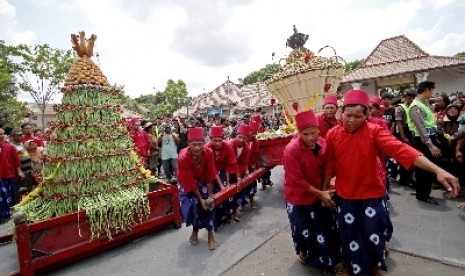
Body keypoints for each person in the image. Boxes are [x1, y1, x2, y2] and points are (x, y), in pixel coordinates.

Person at [323, 89, 460, 276]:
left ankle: (373, 265)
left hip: (372, 194)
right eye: (348, 115)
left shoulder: (374, 131)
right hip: (346, 195)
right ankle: (350, 265)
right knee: (349, 236)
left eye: (358, 116)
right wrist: (324, 190)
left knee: (373, 235)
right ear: (342, 113)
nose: (352, 120)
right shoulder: (332, 135)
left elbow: (401, 150)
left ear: (367, 115)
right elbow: (330, 165)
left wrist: (437, 170)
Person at [283, 110, 341, 272]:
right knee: (303, 230)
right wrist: (320, 193)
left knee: (324, 227)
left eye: (313, 132)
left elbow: (328, 168)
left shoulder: (323, 143)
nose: (310, 137)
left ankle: (327, 260)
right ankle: (306, 255)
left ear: (318, 129)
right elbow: (296, 180)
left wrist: (325, 189)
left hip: (318, 193)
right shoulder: (291, 150)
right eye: (305, 134)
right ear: (299, 132)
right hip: (298, 197)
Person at [177, 127, 218, 250]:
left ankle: (211, 235)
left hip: (203, 181)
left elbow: (210, 173)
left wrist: (209, 193)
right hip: (188, 182)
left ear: (204, 143)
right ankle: (195, 231)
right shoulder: (183, 157)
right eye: (194, 145)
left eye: (200, 144)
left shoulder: (208, 152)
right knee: (193, 206)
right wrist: (200, 199)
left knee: (209, 205)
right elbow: (189, 181)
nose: (197, 148)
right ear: (188, 144)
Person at [407, 81, 444, 204]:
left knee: (427, 168)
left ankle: (424, 192)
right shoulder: (416, 106)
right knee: (424, 169)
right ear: (427, 90)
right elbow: (421, 128)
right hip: (422, 141)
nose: (432, 93)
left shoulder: (424, 104)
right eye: (431, 90)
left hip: (427, 138)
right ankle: (422, 195)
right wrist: (430, 145)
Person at [206, 126, 239, 225]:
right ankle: (216, 220)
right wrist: (220, 185)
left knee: (227, 193)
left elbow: (229, 164)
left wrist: (227, 182)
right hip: (209, 172)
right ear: (211, 139)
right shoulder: (207, 148)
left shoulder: (227, 146)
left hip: (223, 170)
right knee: (213, 194)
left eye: (220, 140)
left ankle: (230, 215)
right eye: (215, 141)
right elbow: (211, 168)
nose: (218, 143)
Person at [0, 128, 24, 222]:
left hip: (10, 175)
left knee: (12, 195)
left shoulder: (9, 147)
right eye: (0, 134)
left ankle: (11, 214)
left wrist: (19, 171)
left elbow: (16, 161)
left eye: (2, 134)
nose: (1, 136)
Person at [227, 124, 250, 218]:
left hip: (238, 172)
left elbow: (243, 163)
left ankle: (235, 211)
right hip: (228, 170)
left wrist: (240, 177)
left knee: (239, 190)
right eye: (239, 137)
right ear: (236, 136)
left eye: (244, 138)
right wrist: (238, 178)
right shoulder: (230, 144)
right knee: (228, 193)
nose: (241, 140)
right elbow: (232, 162)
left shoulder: (247, 147)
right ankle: (229, 214)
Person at [395, 88, 416, 187]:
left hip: (412, 133)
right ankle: (404, 178)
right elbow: (399, 123)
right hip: (404, 132)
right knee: (405, 156)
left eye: (411, 98)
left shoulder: (414, 106)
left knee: (412, 157)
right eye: (408, 98)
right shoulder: (400, 108)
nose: (410, 99)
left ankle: (408, 177)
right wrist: (403, 136)